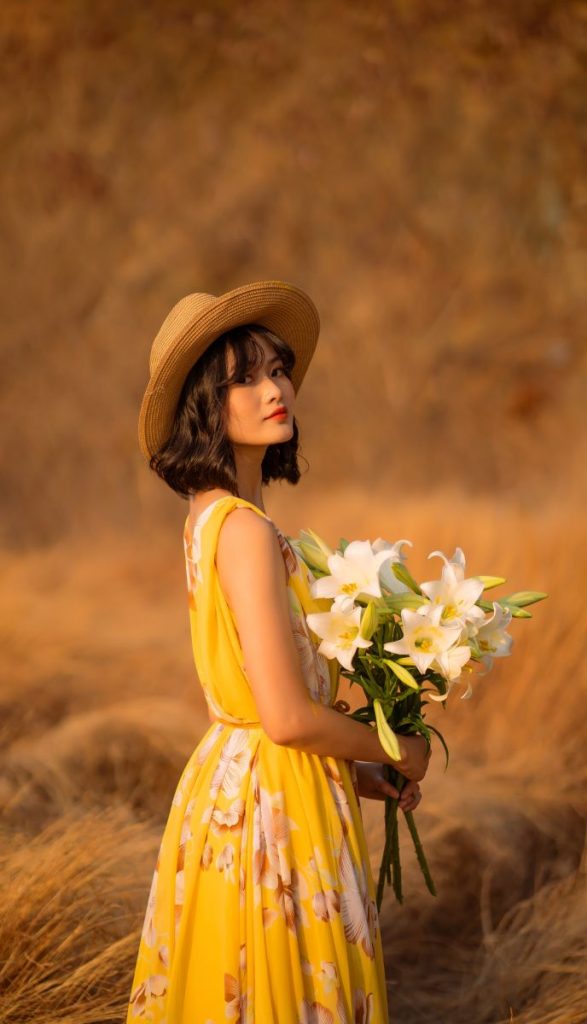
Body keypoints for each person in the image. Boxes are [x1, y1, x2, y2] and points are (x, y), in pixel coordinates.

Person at [126, 280, 431, 1023]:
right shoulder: (245, 530)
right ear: (206, 402)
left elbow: (270, 716)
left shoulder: (212, 517)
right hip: (271, 810)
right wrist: (397, 749)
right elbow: (288, 719)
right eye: (245, 377)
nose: (275, 389)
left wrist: (358, 774)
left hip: (240, 784)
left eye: (278, 368)